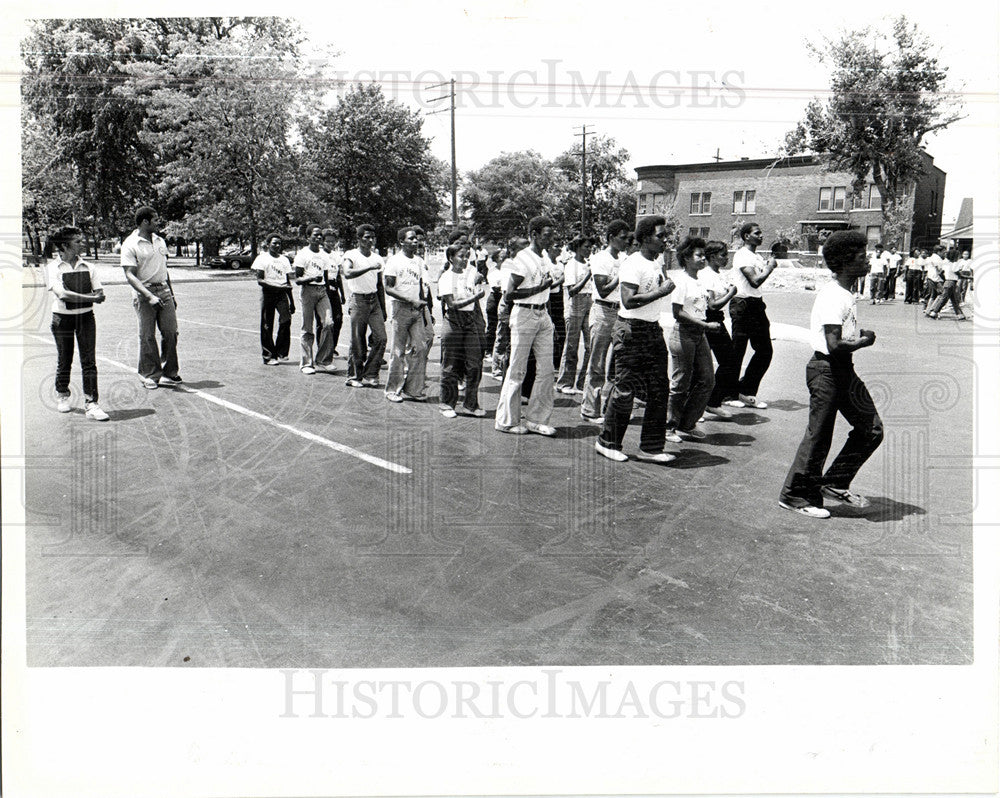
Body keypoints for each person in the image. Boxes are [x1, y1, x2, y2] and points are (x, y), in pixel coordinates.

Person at [779, 230, 883, 518]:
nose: (868, 260)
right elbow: (833, 344)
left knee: (871, 428)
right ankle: (795, 495)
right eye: (863, 256)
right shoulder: (833, 296)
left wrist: (856, 341)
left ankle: (835, 482)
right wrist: (863, 341)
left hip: (843, 370)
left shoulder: (848, 293)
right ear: (846, 261)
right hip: (826, 370)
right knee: (819, 435)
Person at [594, 215, 675, 463]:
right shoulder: (632, 263)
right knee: (625, 389)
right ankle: (607, 442)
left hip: (652, 330)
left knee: (659, 390)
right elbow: (628, 300)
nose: (665, 240)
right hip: (630, 330)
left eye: (665, 235)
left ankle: (650, 447)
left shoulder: (657, 261)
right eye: (660, 236)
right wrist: (660, 292)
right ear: (645, 238)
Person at [494, 216, 560, 436]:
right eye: (547, 235)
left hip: (542, 314)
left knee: (547, 370)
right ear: (534, 234)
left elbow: (546, 287)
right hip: (524, 313)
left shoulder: (544, 258)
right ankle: (506, 421)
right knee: (517, 369)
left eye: (552, 235)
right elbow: (510, 293)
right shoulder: (522, 258)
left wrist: (546, 292)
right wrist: (539, 289)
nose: (551, 240)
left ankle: (537, 419)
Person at [46, 226, 109, 420]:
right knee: (65, 359)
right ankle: (63, 395)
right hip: (62, 318)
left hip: (86, 318)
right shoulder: (52, 268)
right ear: (65, 245)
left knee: (89, 361)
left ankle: (92, 403)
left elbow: (100, 294)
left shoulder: (89, 267)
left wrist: (84, 298)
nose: (82, 244)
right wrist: (89, 297)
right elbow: (62, 294)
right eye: (77, 241)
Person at [120, 205, 181, 390]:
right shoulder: (130, 244)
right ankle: (149, 374)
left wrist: (171, 293)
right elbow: (130, 274)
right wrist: (148, 296)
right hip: (144, 292)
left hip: (164, 290)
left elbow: (164, 270)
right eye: (155, 220)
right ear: (145, 222)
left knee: (171, 332)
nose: (158, 223)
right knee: (147, 335)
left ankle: (169, 372)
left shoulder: (160, 241)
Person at [665, 236, 718, 441]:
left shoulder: (701, 281)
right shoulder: (681, 281)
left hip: (699, 334)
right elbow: (677, 312)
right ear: (686, 258)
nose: (703, 259)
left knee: (707, 380)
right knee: (681, 382)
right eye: (699, 255)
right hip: (683, 334)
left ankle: (687, 424)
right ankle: (669, 427)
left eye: (704, 255)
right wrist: (705, 325)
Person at [580, 221, 630, 423]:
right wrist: (620, 275)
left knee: (617, 364)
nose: (626, 241)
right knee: (597, 363)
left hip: (620, 312)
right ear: (611, 237)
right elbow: (603, 290)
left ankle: (609, 405)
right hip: (603, 310)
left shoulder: (625, 258)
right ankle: (589, 409)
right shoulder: (600, 258)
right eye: (622, 237)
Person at [728, 223, 776, 409]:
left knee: (765, 351)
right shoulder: (742, 255)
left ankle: (745, 390)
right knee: (737, 351)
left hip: (756, 304)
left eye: (761, 232)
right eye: (757, 233)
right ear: (746, 236)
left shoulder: (756, 256)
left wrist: (766, 266)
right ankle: (728, 394)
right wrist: (770, 267)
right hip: (742, 304)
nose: (761, 235)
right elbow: (754, 281)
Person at [437, 243, 487, 418]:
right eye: (461, 256)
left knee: (474, 364)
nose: (465, 260)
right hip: (453, 321)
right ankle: (446, 404)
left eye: (467, 256)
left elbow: (479, 278)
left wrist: (479, 283)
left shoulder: (470, 273)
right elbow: (451, 304)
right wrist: (475, 297)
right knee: (450, 365)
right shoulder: (445, 277)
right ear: (451, 258)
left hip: (470, 321)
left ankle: (470, 404)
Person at [383, 226, 430, 402]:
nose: (415, 241)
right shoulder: (394, 261)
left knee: (421, 347)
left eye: (416, 239)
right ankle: (392, 389)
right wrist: (410, 300)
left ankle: (413, 389)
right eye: (410, 239)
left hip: (416, 310)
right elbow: (388, 288)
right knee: (398, 351)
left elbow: (420, 284)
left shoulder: (418, 261)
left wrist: (422, 304)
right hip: (400, 308)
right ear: (401, 241)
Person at [342, 224, 388, 387]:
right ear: (359, 239)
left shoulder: (377, 258)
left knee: (381, 338)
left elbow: (380, 284)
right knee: (357, 339)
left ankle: (370, 373)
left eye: (372, 237)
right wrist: (368, 267)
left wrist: (382, 307)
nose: (370, 240)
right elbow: (347, 273)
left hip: (373, 299)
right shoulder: (351, 255)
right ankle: (354, 376)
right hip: (358, 299)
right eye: (366, 237)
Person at [700, 240, 739, 418]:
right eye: (723, 255)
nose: (726, 258)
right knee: (701, 366)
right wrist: (731, 293)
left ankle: (712, 401)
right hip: (707, 320)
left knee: (729, 361)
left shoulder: (719, 274)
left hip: (717, 320)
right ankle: (697, 406)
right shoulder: (707, 275)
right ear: (713, 257)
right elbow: (713, 304)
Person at [293, 225, 337, 375]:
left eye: (320, 236)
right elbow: (297, 279)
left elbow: (325, 276)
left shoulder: (324, 255)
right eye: (315, 235)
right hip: (308, 290)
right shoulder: (302, 254)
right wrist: (311, 278)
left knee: (329, 323)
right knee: (308, 327)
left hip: (322, 290)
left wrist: (327, 288)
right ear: (308, 238)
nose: (319, 238)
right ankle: (306, 363)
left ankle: (323, 360)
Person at [556, 235, 594, 395]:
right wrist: (587, 276)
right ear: (578, 248)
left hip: (588, 301)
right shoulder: (572, 265)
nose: (589, 250)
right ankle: (565, 382)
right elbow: (571, 290)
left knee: (590, 345)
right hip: (575, 304)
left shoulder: (587, 264)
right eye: (586, 247)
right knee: (571, 345)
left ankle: (581, 382)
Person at [252, 234, 294, 365]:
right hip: (268, 293)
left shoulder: (284, 260)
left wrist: (291, 301)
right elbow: (260, 280)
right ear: (268, 244)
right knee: (267, 324)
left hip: (281, 294)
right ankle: (269, 355)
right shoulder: (262, 258)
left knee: (286, 320)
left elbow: (288, 282)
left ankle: (281, 352)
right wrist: (275, 286)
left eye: (279, 244)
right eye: (274, 243)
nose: (277, 246)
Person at [321, 229, 346, 356]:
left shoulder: (336, 256)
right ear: (323, 242)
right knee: (325, 321)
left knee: (338, 319)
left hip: (334, 288)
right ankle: (322, 348)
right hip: (323, 287)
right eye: (328, 241)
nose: (330, 244)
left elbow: (338, 276)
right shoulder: (320, 255)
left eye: (332, 241)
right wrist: (326, 288)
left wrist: (342, 293)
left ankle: (332, 346)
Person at [925, 248, 968, 320]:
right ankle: (934, 312)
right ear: (954, 257)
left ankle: (960, 315)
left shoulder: (947, 264)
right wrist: (968, 276)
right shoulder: (954, 264)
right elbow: (958, 273)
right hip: (951, 283)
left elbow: (941, 272)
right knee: (943, 299)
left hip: (948, 282)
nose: (958, 258)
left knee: (954, 300)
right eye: (958, 256)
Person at [922, 245, 946, 313]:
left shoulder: (931, 257)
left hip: (930, 277)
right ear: (938, 252)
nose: (944, 254)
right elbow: (939, 271)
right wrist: (944, 279)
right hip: (937, 279)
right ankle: (933, 309)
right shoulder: (937, 259)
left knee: (933, 294)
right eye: (943, 252)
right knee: (942, 294)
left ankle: (928, 310)